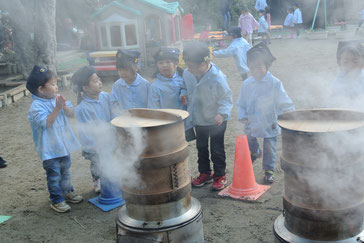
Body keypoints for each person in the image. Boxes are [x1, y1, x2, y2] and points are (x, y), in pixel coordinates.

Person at [26, 65, 83, 213]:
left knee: (65, 171)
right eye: (52, 84)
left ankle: (68, 191)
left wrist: (63, 106)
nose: (56, 87)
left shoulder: (56, 99)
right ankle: (56, 200)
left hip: (63, 146)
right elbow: (46, 123)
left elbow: (71, 113)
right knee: (54, 175)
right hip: (50, 150)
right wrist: (57, 108)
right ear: (40, 89)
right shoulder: (36, 107)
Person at [237, 43, 295, 184]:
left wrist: (288, 110)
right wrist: (243, 115)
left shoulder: (275, 83)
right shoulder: (247, 84)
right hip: (251, 119)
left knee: (269, 146)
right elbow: (241, 102)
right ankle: (255, 151)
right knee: (250, 137)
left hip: (270, 121)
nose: (255, 70)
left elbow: (283, 100)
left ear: (267, 66)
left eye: (259, 66)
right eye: (251, 67)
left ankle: (269, 169)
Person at [180, 41, 233, 191]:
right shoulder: (187, 73)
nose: (193, 70)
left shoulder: (217, 77)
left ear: (207, 61)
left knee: (217, 149)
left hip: (217, 120)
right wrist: (183, 94)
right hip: (199, 118)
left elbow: (226, 98)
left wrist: (222, 114)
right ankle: (205, 173)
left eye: (196, 67)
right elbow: (184, 86)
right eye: (189, 66)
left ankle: (219, 175)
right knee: (201, 147)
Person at [72, 66, 113, 193]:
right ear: (85, 88)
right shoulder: (82, 108)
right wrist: (96, 145)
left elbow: (113, 114)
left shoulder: (105, 96)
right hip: (94, 144)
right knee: (97, 163)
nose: (100, 82)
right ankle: (97, 182)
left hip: (109, 139)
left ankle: (112, 180)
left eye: (99, 79)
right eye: (95, 81)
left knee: (110, 162)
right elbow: (86, 132)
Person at [330, 41, 364, 109]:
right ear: (339, 63)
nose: (350, 65)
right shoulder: (337, 83)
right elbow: (332, 103)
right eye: (346, 61)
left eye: (355, 61)